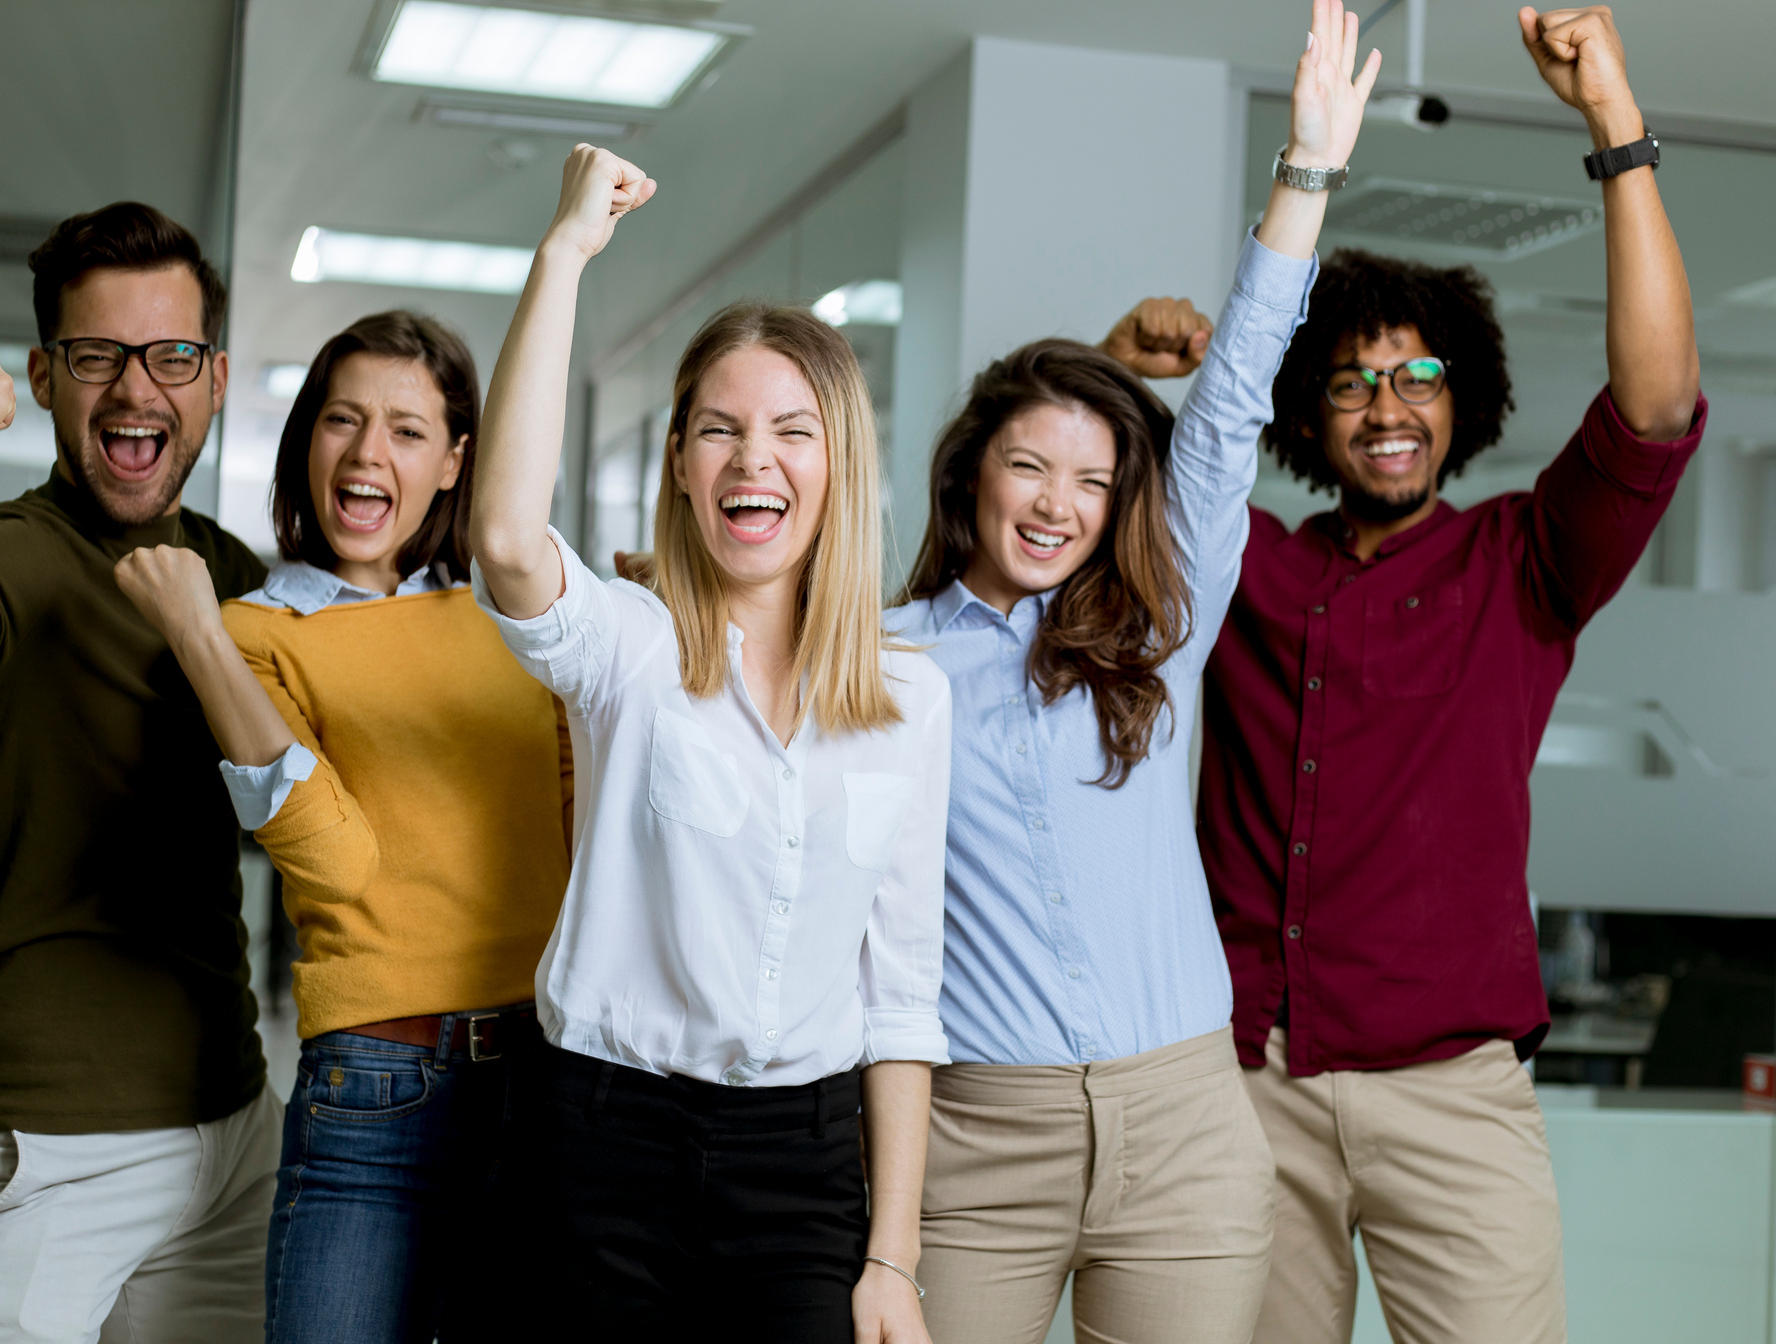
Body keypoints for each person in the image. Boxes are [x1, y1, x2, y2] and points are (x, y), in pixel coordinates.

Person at [1101, 7, 1704, 1342]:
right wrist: (1111, 365)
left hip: (1453, 1098)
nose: (1389, 405)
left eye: (1418, 374)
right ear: (1307, 418)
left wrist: (1613, 121)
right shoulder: (1239, 564)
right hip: (1249, 1081)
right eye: (1353, 382)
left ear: (1462, 398)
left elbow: (1656, 408)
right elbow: (1080, 501)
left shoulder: (1528, 563)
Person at [885, 5, 1378, 1341]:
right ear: (969, 474)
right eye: (1031, 467)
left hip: (1183, 1131)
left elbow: (1222, 417)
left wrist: (1307, 172)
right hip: (974, 1140)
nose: (1058, 505)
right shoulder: (887, 663)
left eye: (1096, 482)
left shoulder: (1157, 626)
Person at [468, 146, 952, 1344]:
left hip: (800, 1165)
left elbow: (900, 998)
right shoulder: (628, 650)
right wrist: (566, 251)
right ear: (682, 469)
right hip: (599, 1145)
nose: (754, 461)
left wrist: (892, 1260)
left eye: (793, 431)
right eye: (718, 432)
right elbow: (508, 535)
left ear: (836, 466)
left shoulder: (909, 698)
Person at [0, 203, 279, 1342]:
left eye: (171, 355)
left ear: (214, 378)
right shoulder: (0, 563)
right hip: (39, 1152)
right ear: (44, 375)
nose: (137, 389)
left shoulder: (230, 572)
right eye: (96, 356)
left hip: (228, 1136)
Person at [110, 310, 573, 1342]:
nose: (369, 454)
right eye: (343, 421)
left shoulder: (522, 616)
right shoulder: (254, 634)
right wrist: (195, 629)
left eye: (409, 432)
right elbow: (334, 859)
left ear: (457, 461)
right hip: (377, 1082)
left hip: (552, 1079)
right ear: (306, 441)